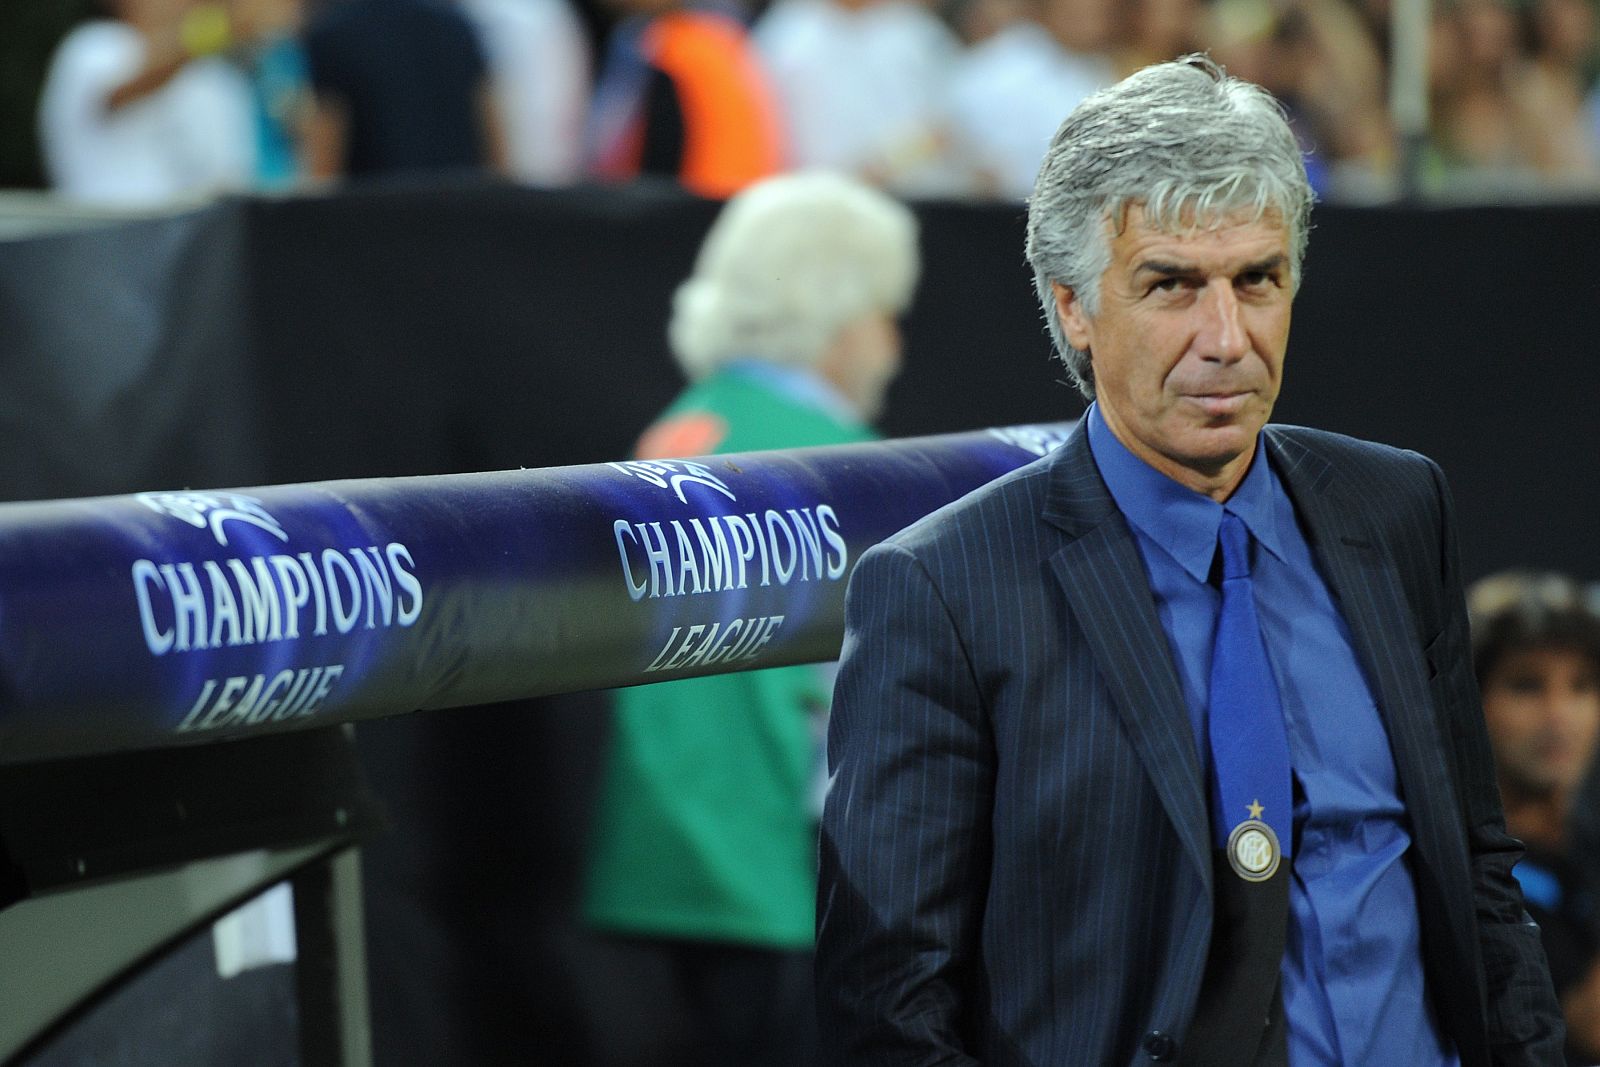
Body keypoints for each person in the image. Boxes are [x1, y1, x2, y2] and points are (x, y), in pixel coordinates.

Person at [816, 55, 1564, 1065]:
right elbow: (891, 1001)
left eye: (1256, 279)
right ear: (1074, 307)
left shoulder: (1393, 509)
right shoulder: (944, 588)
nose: (1226, 337)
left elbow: (1475, 869)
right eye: (1170, 284)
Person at [582, 171, 918, 1066]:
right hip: (777, 873)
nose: (892, 344)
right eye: (885, 313)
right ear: (838, 317)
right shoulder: (845, 464)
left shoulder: (678, 430)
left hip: (660, 859)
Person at [1471, 572, 1600, 1065]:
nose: (1559, 715)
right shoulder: (1461, 870)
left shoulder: (1583, 849)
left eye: (1582, 686)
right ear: (1472, 702)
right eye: (1527, 685)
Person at [38, 0, 257, 206]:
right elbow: (128, 90)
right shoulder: (94, 47)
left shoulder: (215, 75)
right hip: (107, 235)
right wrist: (216, 29)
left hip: (194, 236)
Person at [585, 0, 785, 198]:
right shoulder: (718, 34)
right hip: (733, 203)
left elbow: (659, 165)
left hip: (702, 206)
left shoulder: (677, 51)